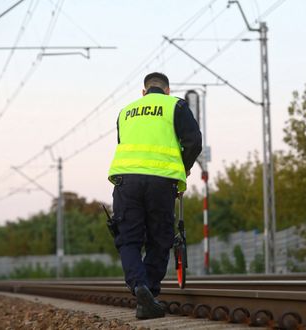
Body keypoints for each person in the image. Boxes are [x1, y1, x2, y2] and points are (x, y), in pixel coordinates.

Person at [108, 72, 202, 319]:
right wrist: (184, 166)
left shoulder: (126, 112)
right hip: (161, 182)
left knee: (128, 239)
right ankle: (149, 292)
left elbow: (123, 143)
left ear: (144, 92)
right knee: (160, 239)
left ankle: (139, 288)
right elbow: (194, 141)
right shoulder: (176, 105)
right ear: (167, 90)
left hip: (125, 181)